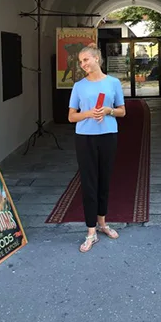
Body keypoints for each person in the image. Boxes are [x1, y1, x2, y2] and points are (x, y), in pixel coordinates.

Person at [68, 44, 126, 252]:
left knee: (104, 180)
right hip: (85, 138)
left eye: (86, 60)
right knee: (89, 182)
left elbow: (122, 111)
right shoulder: (79, 86)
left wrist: (109, 110)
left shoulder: (113, 83)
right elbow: (71, 116)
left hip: (108, 135)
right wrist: (88, 114)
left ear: (96, 59)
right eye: (80, 61)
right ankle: (90, 230)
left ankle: (102, 223)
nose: (83, 64)